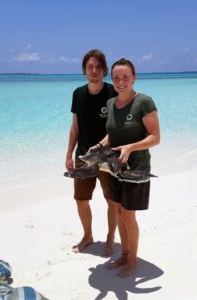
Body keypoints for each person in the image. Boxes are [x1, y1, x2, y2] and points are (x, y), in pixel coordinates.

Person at [92, 58, 160, 277]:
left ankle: (132, 261)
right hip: (115, 167)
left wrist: (131, 147)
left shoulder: (144, 102)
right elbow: (113, 133)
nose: (121, 82)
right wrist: (99, 145)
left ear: (134, 78)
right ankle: (124, 254)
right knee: (120, 212)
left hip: (136, 168)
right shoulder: (111, 103)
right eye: (116, 78)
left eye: (125, 78)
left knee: (128, 216)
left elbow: (155, 138)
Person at [65, 49, 118, 256]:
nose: (94, 70)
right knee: (81, 199)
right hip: (84, 157)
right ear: (84, 70)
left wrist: (104, 146)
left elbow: (118, 128)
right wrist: (69, 153)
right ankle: (87, 236)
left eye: (98, 67)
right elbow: (75, 127)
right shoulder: (78, 93)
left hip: (107, 157)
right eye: (90, 67)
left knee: (111, 200)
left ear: (104, 70)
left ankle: (110, 237)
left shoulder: (113, 92)